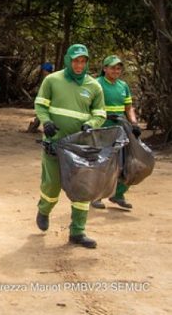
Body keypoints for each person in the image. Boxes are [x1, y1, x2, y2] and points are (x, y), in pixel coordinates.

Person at [34, 44, 106, 248]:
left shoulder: (94, 86)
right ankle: (44, 209)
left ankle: (77, 232)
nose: (79, 65)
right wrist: (45, 121)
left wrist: (91, 124)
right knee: (52, 185)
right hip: (54, 145)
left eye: (83, 61)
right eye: (75, 60)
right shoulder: (52, 80)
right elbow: (40, 104)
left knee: (82, 189)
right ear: (68, 60)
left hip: (80, 147)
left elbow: (100, 113)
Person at [91, 55, 142, 210]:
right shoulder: (96, 84)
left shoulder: (123, 86)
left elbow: (128, 107)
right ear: (104, 68)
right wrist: (102, 116)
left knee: (126, 163)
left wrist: (134, 123)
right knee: (104, 163)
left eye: (118, 68)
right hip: (102, 128)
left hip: (121, 128)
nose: (116, 70)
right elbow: (89, 106)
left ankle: (118, 194)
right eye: (112, 67)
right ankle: (96, 196)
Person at [27, 63, 55, 132]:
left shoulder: (49, 78)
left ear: (46, 70)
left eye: (43, 70)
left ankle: (33, 128)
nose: (42, 71)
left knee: (41, 114)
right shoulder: (52, 77)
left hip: (48, 100)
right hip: (48, 100)